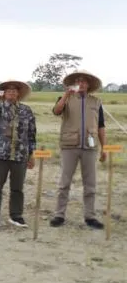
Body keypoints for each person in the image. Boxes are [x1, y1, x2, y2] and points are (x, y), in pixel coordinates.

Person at [50, 69, 107, 229]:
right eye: (78, 81)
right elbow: (56, 111)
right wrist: (66, 96)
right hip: (69, 146)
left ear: (88, 85)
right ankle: (59, 215)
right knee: (64, 183)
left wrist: (105, 148)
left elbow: (101, 126)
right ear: (74, 84)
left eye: (84, 81)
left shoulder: (96, 102)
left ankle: (90, 217)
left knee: (90, 184)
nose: (81, 83)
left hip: (90, 147)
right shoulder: (65, 99)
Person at [0, 79, 36, 228]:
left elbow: (32, 133)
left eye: (15, 90)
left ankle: (16, 216)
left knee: (17, 188)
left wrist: (31, 154)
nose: (12, 92)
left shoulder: (27, 110)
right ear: (4, 93)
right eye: (9, 90)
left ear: (19, 93)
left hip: (20, 155)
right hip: (0, 154)